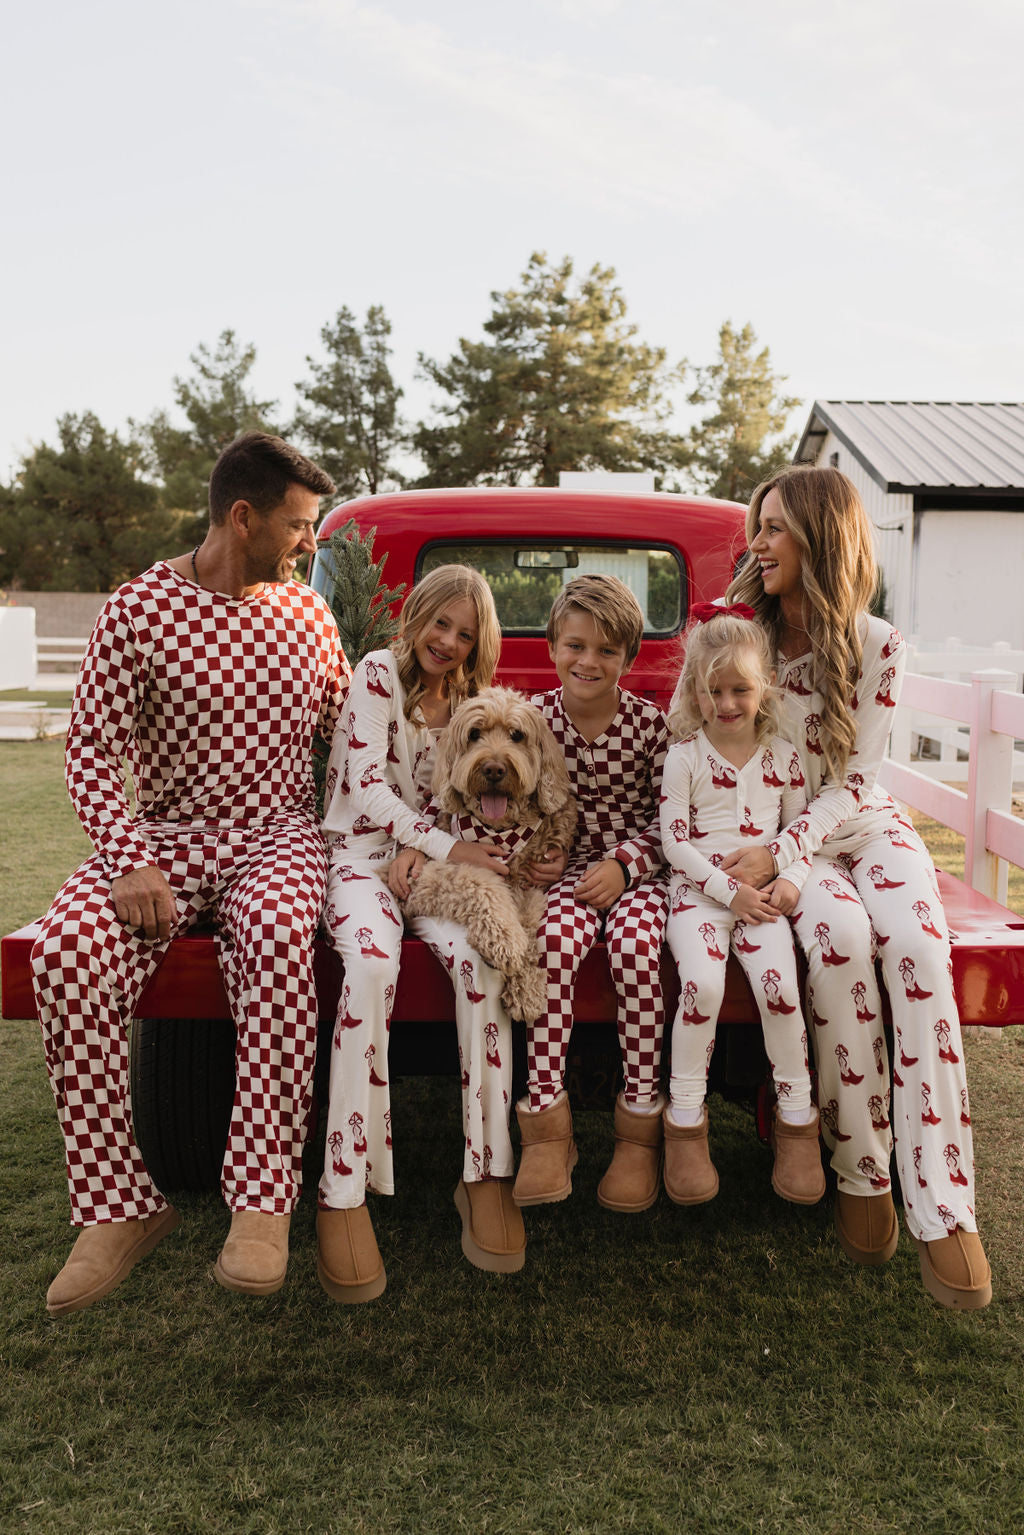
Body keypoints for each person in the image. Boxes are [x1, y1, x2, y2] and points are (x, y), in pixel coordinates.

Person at [31, 432, 349, 1315]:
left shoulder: (309, 616)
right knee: (63, 951)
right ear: (241, 517)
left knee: (283, 938)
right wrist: (128, 858)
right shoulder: (136, 607)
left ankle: (261, 1203)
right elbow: (92, 748)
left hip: (276, 833)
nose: (308, 543)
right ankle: (117, 1208)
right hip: (163, 835)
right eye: (297, 525)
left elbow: (353, 736)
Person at [723, 464, 991, 1309]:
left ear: (818, 534)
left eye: (772, 528)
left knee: (916, 947)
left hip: (864, 829)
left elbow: (858, 777)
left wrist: (790, 853)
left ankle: (946, 1203)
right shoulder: (748, 641)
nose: (755, 544)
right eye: (754, 528)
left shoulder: (878, 643)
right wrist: (779, 854)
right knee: (836, 947)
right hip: (785, 845)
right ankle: (863, 1171)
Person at [317, 564, 525, 1301]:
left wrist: (433, 845)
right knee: (370, 968)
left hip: (431, 862)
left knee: (483, 965)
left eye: (465, 633)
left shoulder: (469, 702)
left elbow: (463, 793)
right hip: (362, 858)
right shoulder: (377, 674)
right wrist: (430, 843)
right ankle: (342, 1191)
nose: (448, 640)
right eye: (441, 622)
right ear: (417, 616)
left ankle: (486, 1171)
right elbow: (368, 786)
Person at [514, 574, 671, 1212]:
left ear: (628, 659)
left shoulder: (649, 727)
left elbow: (675, 821)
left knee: (637, 950)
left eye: (607, 650)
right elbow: (509, 803)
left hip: (638, 875)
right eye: (576, 645)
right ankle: (548, 1126)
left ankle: (638, 1129)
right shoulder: (533, 721)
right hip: (569, 876)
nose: (589, 661)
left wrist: (627, 865)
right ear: (553, 647)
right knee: (551, 944)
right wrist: (534, 856)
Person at [660, 604, 824, 1206]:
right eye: (714, 691)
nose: (727, 704)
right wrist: (732, 891)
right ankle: (683, 1121)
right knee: (699, 986)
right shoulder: (686, 758)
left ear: (764, 689)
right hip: (701, 898)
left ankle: (798, 1121)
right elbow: (674, 843)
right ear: (696, 691)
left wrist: (793, 876)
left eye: (741, 690)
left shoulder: (782, 756)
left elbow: (804, 826)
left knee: (780, 988)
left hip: (765, 902)